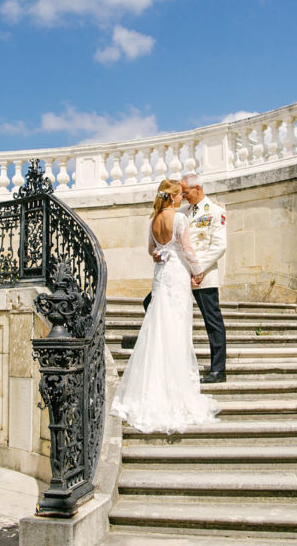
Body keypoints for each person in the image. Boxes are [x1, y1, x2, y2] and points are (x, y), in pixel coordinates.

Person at [110, 179, 219, 433]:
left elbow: (152, 251)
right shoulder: (179, 219)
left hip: (161, 275)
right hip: (177, 274)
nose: (182, 198)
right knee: (177, 328)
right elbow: (188, 249)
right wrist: (199, 271)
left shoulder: (153, 220)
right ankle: (175, 388)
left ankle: (154, 385)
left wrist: (160, 254)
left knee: (159, 327)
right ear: (171, 197)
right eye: (179, 195)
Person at [180, 172, 228, 383]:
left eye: (186, 192)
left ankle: (218, 370)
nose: (183, 196)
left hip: (204, 276)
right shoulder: (183, 212)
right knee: (152, 302)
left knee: (212, 321)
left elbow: (218, 246)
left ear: (197, 188)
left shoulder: (216, 212)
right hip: (182, 274)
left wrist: (198, 270)